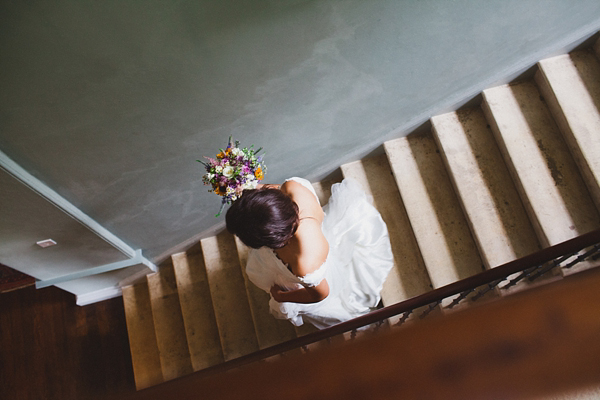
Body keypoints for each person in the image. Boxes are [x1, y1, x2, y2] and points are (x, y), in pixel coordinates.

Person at [226, 177, 394, 329]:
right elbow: (271, 194)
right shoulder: (292, 187)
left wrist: (282, 296)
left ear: (271, 240)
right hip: (315, 234)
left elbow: (320, 294)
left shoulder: (304, 262)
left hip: (316, 255)